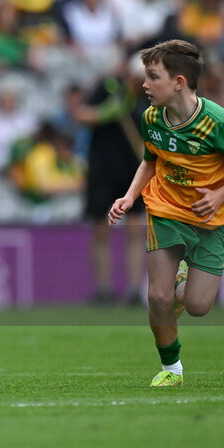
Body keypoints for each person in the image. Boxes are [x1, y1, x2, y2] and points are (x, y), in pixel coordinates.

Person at [109, 39, 224, 387]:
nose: (145, 85)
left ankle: (183, 282)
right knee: (157, 297)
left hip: (211, 220)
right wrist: (130, 195)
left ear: (179, 82)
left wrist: (221, 193)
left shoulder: (220, 122)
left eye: (153, 77)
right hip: (165, 210)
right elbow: (151, 160)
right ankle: (171, 369)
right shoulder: (151, 117)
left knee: (197, 306)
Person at [73, 57, 148, 305]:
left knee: (136, 229)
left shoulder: (150, 96)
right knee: (101, 229)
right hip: (102, 169)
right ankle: (103, 289)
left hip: (134, 171)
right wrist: (106, 113)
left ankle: (136, 290)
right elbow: (80, 114)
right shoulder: (108, 87)